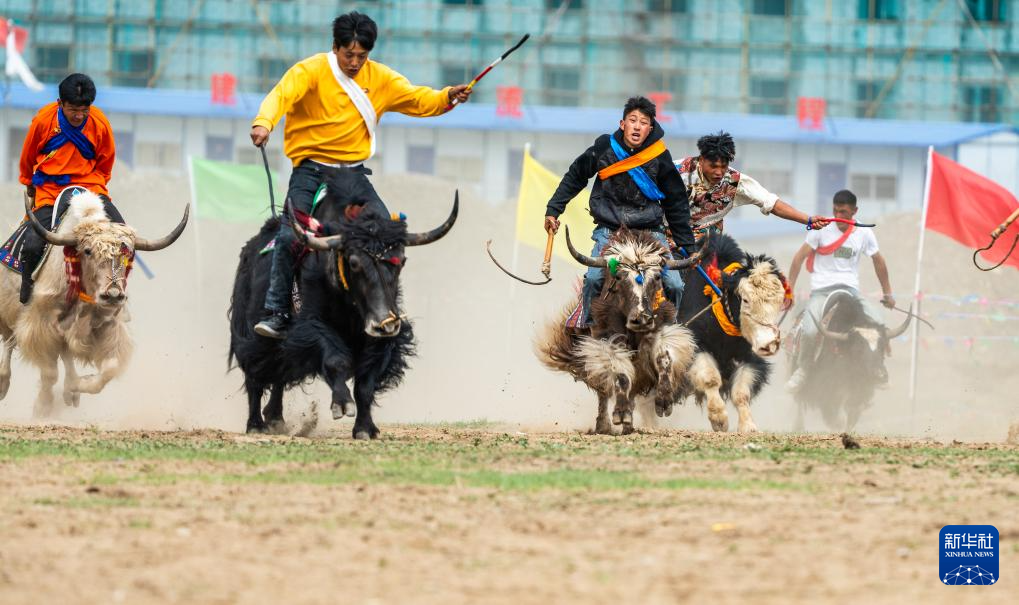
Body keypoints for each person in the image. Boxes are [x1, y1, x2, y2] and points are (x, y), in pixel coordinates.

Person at [250, 11, 473, 339]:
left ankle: (388, 309)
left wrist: (447, 96)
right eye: (348, 54)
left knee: (386, 236)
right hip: (310, 172)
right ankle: (277, 312)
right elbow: (279, 96)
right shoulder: (309, 71)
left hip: (353, 175)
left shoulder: (381, 78)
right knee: (288, 236)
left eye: (362, 56)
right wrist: (264, 123)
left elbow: (416, 98)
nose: (355, 62)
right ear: (335, 47)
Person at [543, 96, 693, 327]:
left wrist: (688, 246)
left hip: (650, 233)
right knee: (594, 279)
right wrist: (554, 209)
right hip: (610, 231)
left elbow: (676, 201)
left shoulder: (659, 156)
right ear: (622, 124)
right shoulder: (604, 148)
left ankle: (671, 331)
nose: (637, 126)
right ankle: (588, 327)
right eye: (632, 120)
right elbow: (575, 176)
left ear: (650, 129)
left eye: (643, 122)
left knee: (675, 285)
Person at [18, 73, 120, 304]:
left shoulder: (100, 123)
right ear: (60, 103)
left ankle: (116, 284)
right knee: (33, 243)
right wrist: (29, 183)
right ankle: (27, 284)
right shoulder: (43, 121)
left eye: (84, 109)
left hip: (90, 186)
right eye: (73, 109)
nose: (79, 115)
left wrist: (97, 186)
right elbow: (28, 157)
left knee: (121, 234)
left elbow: (106, 162)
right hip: (50, 188)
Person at [785, 189, 895, 391]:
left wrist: (888, 294)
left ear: (854, 211)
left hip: (851, 292)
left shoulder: (864, 232)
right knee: (810, 330)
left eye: (843, 212)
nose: (838, 216)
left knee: (879, 323)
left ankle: (879, 368)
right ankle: (803, 369)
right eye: (835, 211)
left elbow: (878, 260)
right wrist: (788, 290)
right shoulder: (820, 229)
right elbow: (798, 258)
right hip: (822, 292)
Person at [676, 131, 828, 233]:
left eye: (723, 166)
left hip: (706, 242)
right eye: (713, 166)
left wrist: (808, 219)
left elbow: (771, 203)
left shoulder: (736, 182)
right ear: (702, 160)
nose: (719, 172)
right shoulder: (677, 171)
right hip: (669, 236)